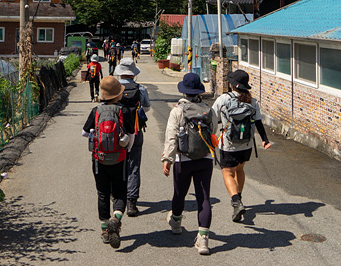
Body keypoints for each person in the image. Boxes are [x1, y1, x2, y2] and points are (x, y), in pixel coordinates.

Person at [162, 72, 217, 255]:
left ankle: (176, 223)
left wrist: (167, 159)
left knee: (180, 193)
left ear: (184, 92)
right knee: (204, 198)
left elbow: (171, 137)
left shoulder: (178, 111)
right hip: (205, 158)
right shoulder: (208, 110)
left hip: (183, 159)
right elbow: (214, 130)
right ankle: (203, 239)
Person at [82, 76, 135, 249]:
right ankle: (116, 218)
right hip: (120, 158)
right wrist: (126, 150)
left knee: (103, 193)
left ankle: (105, 230)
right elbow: (131, 135)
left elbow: (84, 133)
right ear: (118, 94)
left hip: (100, 159)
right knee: (120, 192)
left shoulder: (96, 110)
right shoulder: (124, 111)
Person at [211, 69, 271, 223]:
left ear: (232, 85)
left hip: (229, 144)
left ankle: (236, 202)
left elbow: (212, 119)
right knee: (239, 170)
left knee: (227, 172)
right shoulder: (252, 101)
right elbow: (258, 122)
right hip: (246, 144)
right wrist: (265, 139)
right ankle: (239, 197)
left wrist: (209, 137)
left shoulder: (224, 99)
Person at [115, 57, 150, 217]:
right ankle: (131, 203)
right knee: (134, 166)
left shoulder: (114, 87)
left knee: (116, 164)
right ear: (133, 73)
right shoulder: (140, 89)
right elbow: (146, 108)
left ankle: (117, 197)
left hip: (116, 132)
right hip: (135, 131)